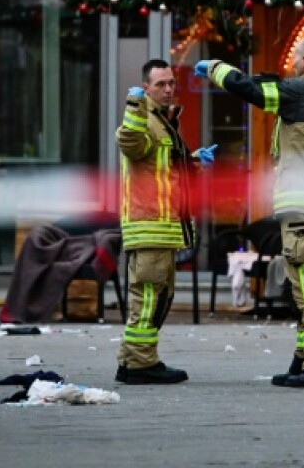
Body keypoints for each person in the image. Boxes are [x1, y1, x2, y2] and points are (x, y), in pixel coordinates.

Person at [195, 36, 304, 389]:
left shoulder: (298, 92)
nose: (292, 66)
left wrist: (214, 68)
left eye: (294, 61)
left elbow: (251, 90)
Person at [115, 58, 216, 385]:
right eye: (161, 84)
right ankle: (142, 364)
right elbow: (130, 144)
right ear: (145, 88)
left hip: (163, 226)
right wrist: (133, 105)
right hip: (150, 224)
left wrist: (193, 161)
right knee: (149, 297)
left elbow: (164, 169)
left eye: (172, 82)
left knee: (158, 296)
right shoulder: (142, 116)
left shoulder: (163, 121)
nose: (169, 89)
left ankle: (129, 360)